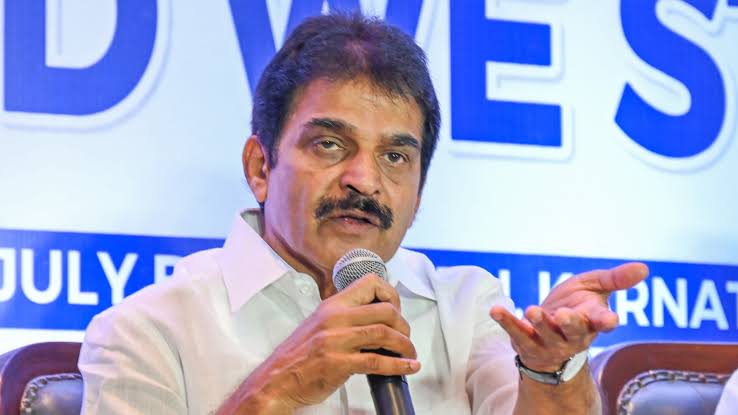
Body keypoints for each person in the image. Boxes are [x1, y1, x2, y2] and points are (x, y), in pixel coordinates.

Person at [78, 12, 648, 414]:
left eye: (395, 156)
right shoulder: (146, 332)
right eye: (330, 144)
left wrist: (550, 371)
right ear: (260, 166)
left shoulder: (469, 308)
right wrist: (277, 390)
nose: (364, 180)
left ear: (418, 195)